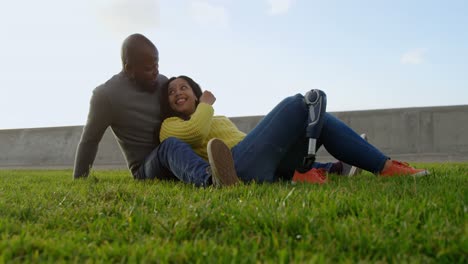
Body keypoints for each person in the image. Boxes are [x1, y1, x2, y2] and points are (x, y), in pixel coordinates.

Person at [159, 75, 429, 184]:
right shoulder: (169, 126)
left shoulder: (216, 117)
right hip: (235, 167)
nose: (178, 93)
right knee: (297, 105)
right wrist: (205, 104)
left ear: (193, 92)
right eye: (171, 92)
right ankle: (316, 167)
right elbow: (195, 131)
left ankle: (385, 166)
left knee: (317, 118)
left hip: (264, 162)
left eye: (183, 87)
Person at [73, 34, 238, 187]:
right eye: (148, 68)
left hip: (182, 157)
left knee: (180, 143)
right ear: (129, 68)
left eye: (157, 64)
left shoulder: (162, 83)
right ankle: (211, 180)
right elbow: (90, 140)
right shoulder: (106, 96)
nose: (156, 72)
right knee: (169, 145)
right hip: (148, 167)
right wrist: (79, 181)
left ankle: (231, 169)